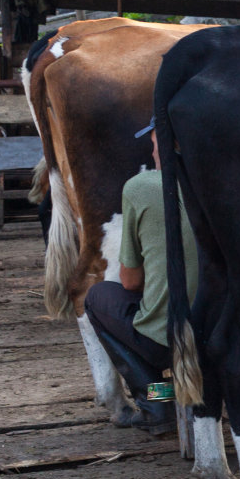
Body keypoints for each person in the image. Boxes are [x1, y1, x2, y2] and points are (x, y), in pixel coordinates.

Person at [83, 122, 198, 433]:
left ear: (167, 144)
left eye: (154, 143)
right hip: (224, 335)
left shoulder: (141, 187)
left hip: (171, 340)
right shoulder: (225, 183)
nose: (152, 151)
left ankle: (156, 403)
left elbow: (131, 281)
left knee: (97, 298)